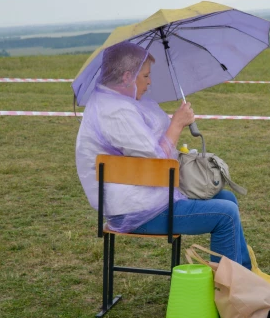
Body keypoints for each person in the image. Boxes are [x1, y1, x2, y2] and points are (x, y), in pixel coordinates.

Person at [75, 42, 251, 269]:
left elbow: (151, 146)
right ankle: (230, 291)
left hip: (147, 196)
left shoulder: (123, 101)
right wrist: (177, 123)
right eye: (146, 75)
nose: (149, 82)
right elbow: (157, 160)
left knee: (228, 200)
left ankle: (244, 279)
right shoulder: (115, 112)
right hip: (135, 210)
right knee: (225, 215)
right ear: (128, 76)